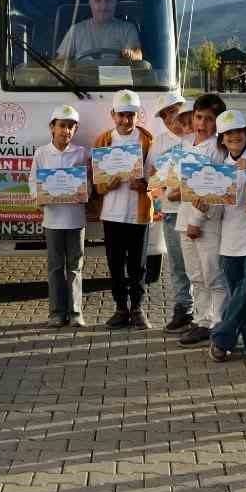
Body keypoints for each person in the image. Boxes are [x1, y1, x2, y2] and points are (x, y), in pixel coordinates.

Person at [200, 110, 246, 361]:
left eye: (238, 132)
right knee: (238, 293)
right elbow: (219, 205)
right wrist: (204, 205)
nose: (234, 137)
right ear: (222, 139)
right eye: (229, 133)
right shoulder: (221, 166)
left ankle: (221, 337)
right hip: (229, 238)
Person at [93, 89, 154, 328]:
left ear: (138, 115)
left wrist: (144, 186)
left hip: (138, 213)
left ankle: (138, 309)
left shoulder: (147, 140)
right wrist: (109, 184)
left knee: (138, 264)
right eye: (121, 115)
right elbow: (97, 186)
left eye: (131, 115)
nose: (126, 120)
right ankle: (120, 308)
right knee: (115, 263)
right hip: (112, 214)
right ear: (112, 115)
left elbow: (156, 178)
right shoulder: (103, 141)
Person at [175, 94, 229, 346]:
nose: (202, 124)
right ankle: (201, 320)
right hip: (184, 219)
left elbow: (212, 191)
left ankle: (219, 322)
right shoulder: (187, 145)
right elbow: (179, 182)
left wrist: (197, 220)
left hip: (205, 223)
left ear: (218, 123)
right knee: (195, 274)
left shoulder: (218, 151)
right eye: (199, 117)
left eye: (209, 119)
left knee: (213, 275)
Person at [31, 104, 90, 327]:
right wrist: (39, 197)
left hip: (75, 219)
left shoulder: (82, 153)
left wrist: (84, 193)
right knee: (55, 267)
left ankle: (75, 313)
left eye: (70, 127)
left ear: (75, 130)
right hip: (53, 219)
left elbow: (89, 183)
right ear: (52, 128)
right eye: (62, 126)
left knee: (75, 267)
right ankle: (56, 313)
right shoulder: (41, 153)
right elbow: (33, 181)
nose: (66, 131)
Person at [147, 94, 192, 330]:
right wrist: (159, 194)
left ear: (183, 109)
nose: (168, 118)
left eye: (171, 111)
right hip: (172, 211)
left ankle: (208, 313)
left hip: (197, 211)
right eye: (163, 115)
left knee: (203, 265)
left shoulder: (199, 136)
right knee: (177, 264)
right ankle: (183, 307)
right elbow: (152, 178)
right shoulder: (159, 142)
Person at [55, 0, 143, 62]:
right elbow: (60, 62)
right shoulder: (76, 30)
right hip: (82, 77)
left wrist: (131, 54)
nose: (103, 7)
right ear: (90, 3)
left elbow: (137, 56)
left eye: (108, 1)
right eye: (98, 1)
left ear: (115, 2)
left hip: (117, 78)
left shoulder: (128, 29)